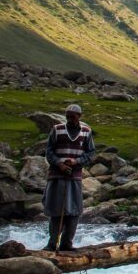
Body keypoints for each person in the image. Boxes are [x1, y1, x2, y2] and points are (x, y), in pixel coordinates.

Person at [43, 104, 95, 251]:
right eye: (67, 116)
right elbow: (49, 151)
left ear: (79, 116)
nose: (70, 119)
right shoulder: (57, 130)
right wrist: (60, 164)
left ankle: (67, 243)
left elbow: (90, 153)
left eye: (72, 116)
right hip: (57, 176)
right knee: (56, 210)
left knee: (74, 210)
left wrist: (76, 162)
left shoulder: (86, 132)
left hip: (74, 177)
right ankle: (52, 244)